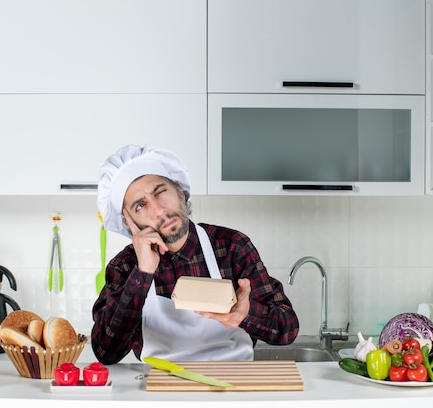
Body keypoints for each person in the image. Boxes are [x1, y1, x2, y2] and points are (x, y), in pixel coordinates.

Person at [91, 144, 299, 364]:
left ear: (180, 191)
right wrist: (142, 274)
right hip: (159, 387)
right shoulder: (124, 266)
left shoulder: (231, 247)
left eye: (161, 192)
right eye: (141, 206)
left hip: (233, 383)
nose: (159, 209)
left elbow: (288, 329)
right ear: (128, 221)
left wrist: (247, 314)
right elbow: (106, 353)